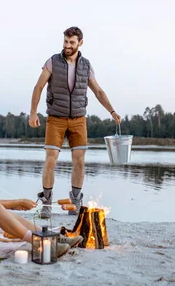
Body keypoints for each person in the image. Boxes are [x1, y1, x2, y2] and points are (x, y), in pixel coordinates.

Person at [28, 26, 121, 218]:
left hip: (79, 119)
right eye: (65, 41)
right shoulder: (53, 61)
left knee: (79, 161)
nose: (68, 45)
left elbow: (98, 91)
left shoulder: (86, 65)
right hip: (56, 118)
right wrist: (33, 113)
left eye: (72, 42)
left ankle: (76, 199)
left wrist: (111, 111)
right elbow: (38, 87)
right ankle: (46, 201)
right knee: (50, 159)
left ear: (80, 43)